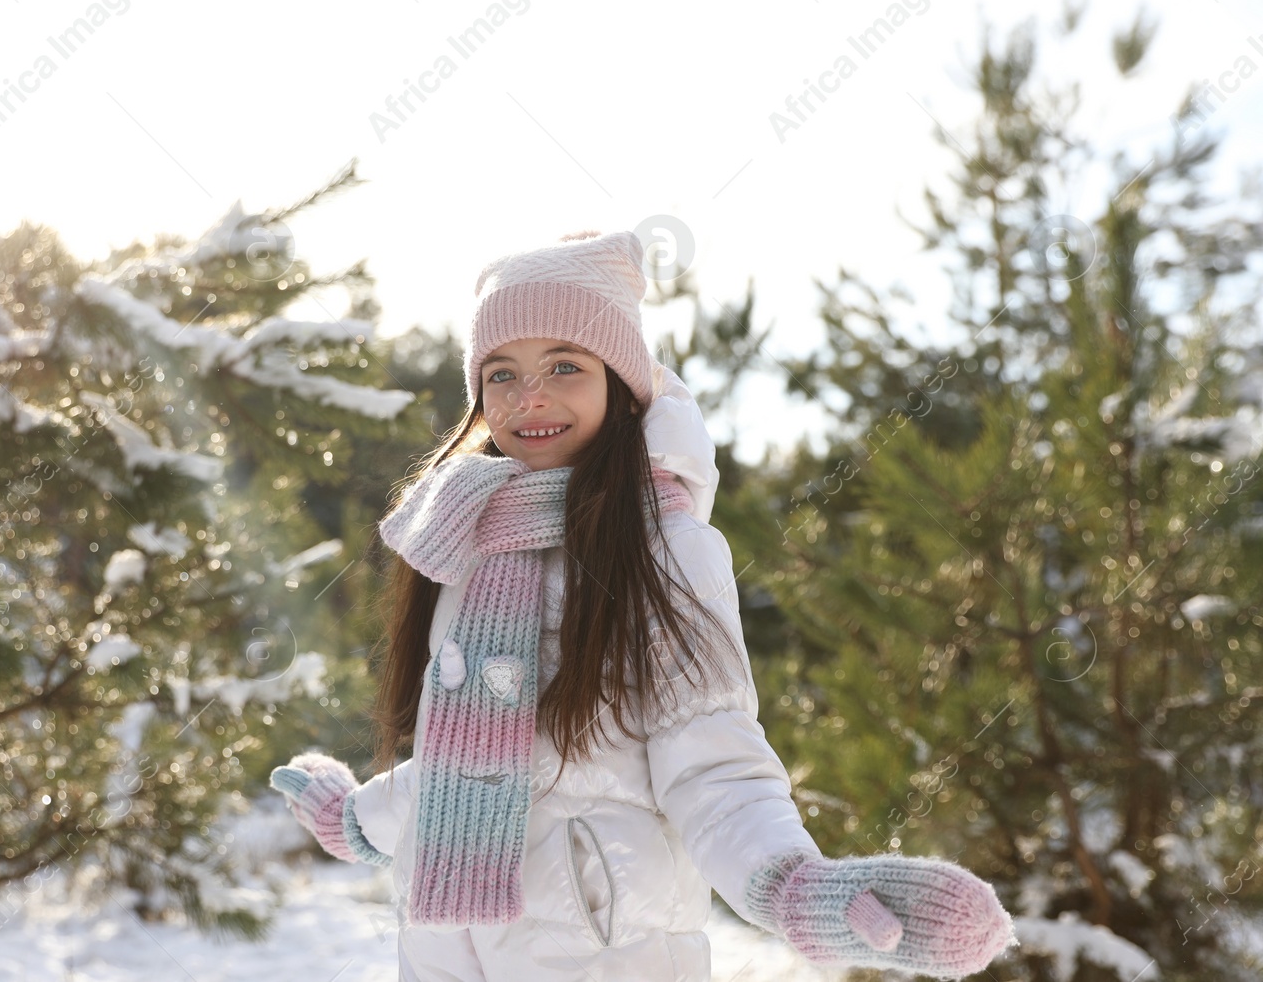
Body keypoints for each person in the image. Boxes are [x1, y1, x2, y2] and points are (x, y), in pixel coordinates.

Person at [269, 230, 1016, 981]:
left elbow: (713, 760)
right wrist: (359, 820)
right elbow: (465, 760)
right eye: (502, 373)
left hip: (602, 950)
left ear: (623, 386)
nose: (530, 395)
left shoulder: (665, 546)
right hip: (444, 950)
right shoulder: (468, 535)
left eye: (565, 365)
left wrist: (793, 885)